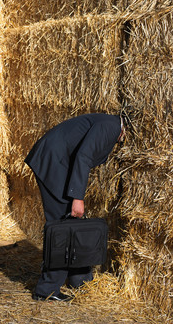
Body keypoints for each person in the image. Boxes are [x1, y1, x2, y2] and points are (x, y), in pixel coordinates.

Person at [25, 113, 125, 301]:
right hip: (53, 162)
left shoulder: (108, 123)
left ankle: (80, 281)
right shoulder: (111, 126)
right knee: (63, 228)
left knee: (72, 225)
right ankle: (47, 291)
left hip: (56, 161)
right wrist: (77, 197)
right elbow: (84, 156)